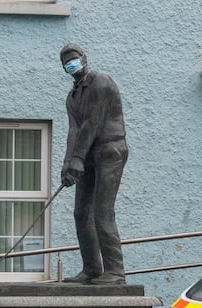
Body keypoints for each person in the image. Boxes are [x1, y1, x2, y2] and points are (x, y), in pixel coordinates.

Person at [59, 43, 129, 285]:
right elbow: (74, 129)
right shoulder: (72, 97)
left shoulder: (101, 83)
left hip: (110, 150)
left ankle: (116, 271)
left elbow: (92, 122)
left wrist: (77, 158)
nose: (72, 64)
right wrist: (68, 163)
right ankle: (92, 269)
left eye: (74, 59)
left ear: (84, 58)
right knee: (81, 212)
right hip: (86, 155)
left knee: (102, 211)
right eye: (67, 62)